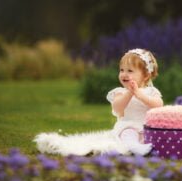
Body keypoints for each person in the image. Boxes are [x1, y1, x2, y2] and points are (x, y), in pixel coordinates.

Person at [34, 48, 163, 156]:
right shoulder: (120, 92)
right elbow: (117, 109)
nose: (124, 74)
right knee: (128, 135)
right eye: (122, 70)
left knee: (157, 135)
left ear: (145, 76)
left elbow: (158, 106)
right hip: (128, 127)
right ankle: (135, 147)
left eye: (130, 71)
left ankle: (148, 146)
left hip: (146, 128)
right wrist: (130, 93)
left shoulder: (151, 92)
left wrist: (140, 95)